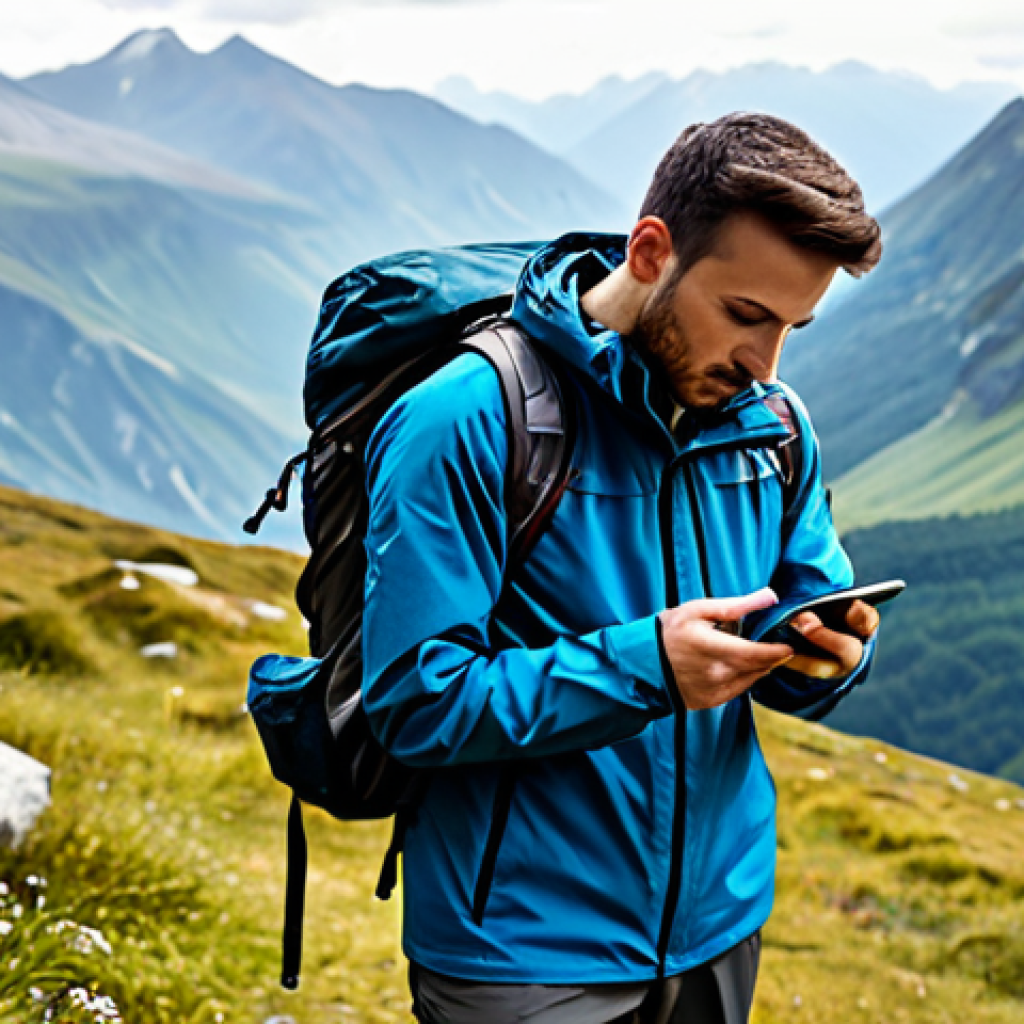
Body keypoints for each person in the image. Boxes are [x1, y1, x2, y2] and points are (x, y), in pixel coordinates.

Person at [360, 113, 882, 1024]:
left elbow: (802, 611)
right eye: (746, 315)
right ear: (650, 251)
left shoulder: (774, 426)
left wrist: (825, 654)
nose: (765, 362)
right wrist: (649, 669)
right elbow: (414, 700)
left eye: (794, 325)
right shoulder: (464, 418)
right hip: (520, 948)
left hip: (719, 925)